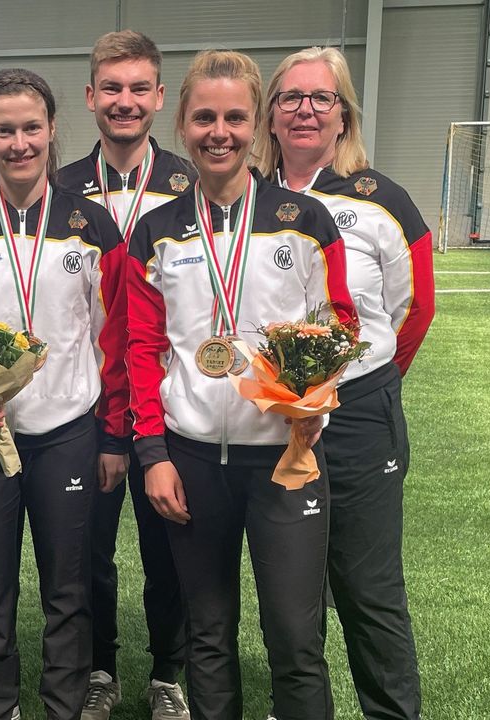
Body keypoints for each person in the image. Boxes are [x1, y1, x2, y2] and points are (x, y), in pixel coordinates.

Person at [125, 50, 356, 720]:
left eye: (233, 117)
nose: (217, 132)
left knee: (294, 637)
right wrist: (155, 455)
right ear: (183, 123)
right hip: (193, 463)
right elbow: (142, 351)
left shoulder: (304, 220)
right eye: (203, 117)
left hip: (287, 459)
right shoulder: (157, 233)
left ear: (256, 124)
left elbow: (338, 321)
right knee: (208, 637)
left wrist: (316, 401)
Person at [0, 68, 131, 720]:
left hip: (68, 434)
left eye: (30, 128)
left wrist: (114, 435)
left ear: (52, 130)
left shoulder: (92, 226)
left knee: (68, 588)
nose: (18, 143)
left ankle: (63, 707)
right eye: (4, 130)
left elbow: (115, 340)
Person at [255, 46, 434, 720]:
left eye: (320, 98)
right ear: (270, 114)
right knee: (288, 583)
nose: (305, 110)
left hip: (358, 414)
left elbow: (414, 309)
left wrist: (362, 380)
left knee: (367, 585)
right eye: (291, 98)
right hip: (271, 417)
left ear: (342, 115)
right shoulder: (249, 199)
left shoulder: (382, 200)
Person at [56, 30, 194, 720]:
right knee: (86, 553)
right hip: (89, 408)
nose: (125, 101)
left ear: (160, 97)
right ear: (90, 97)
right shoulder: (58, 190)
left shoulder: (191, 185)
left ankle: (168, 671)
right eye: (111, 88)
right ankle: (98, 668)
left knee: (170, 548)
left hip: (173, 403)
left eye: (139, 88)